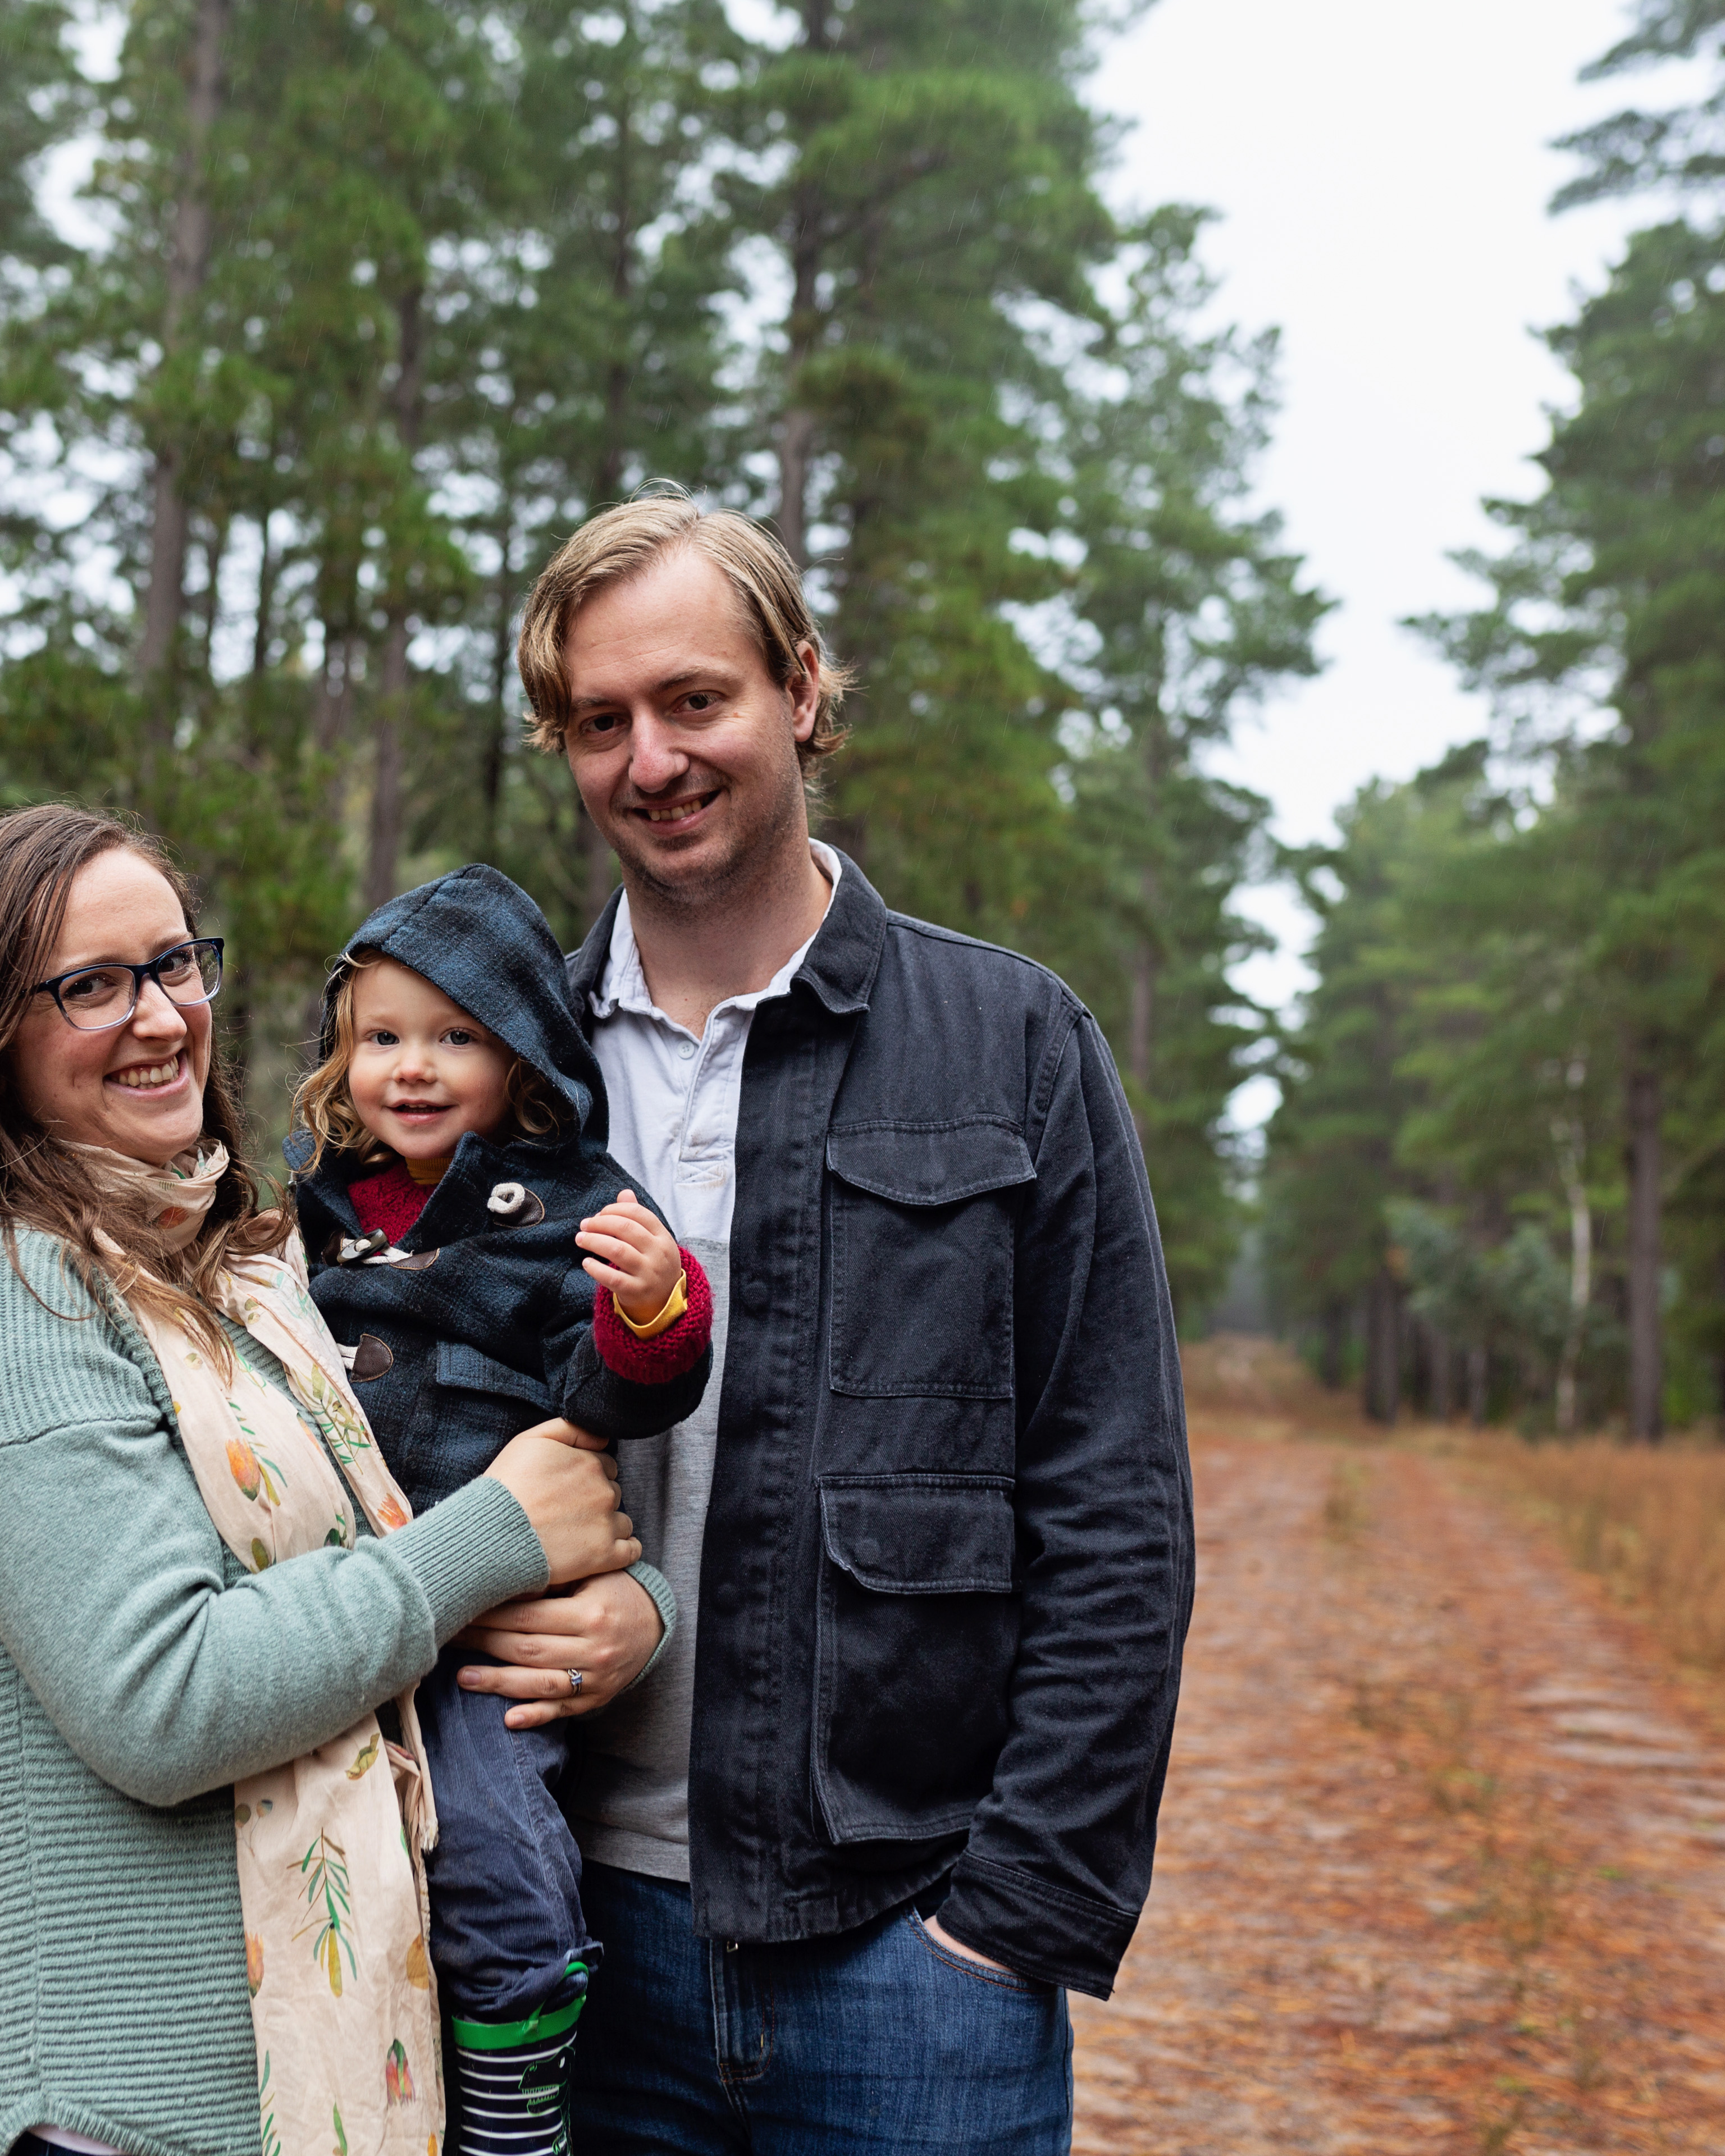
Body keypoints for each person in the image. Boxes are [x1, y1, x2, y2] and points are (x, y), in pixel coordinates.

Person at [0, 804, 652, 2156]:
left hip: (325, 2071)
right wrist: (500, 1540)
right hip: (130, 2098)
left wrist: (617, 1604)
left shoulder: (227, 1267)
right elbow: (168, 1699)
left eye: (176, 963)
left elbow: (410, 1499)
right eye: (89, 986)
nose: (159, 1016)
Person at [512, 491, 1199, 2154]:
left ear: (802, 692)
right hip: (557, 1936)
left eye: (695, 701)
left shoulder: (1012, 1043)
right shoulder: (500, 1066)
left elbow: (1115, 1510)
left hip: (903, 1957)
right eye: (601, 721)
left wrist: (1006, 1925)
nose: (652, 760)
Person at [284, 864, 717, 2153]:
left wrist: (652, 1311)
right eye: (382, 1038)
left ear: (524, 1056)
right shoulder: (309, 1217)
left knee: (489, 1845)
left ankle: (517, 2097)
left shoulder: (566, 1210)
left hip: (487, 1617)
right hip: (323, 1606)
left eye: (455, 1038)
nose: (411, 1068)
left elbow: (612, 1398)